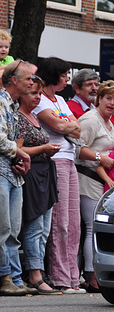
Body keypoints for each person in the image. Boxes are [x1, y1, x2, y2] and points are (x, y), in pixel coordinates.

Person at [33, 57, 84, 294]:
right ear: (54, 75)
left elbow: (76, 126)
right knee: (60, 222)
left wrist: (65, 124)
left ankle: (74, 277)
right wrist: (65, 124)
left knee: (74, 223)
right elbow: (61, 127)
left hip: (70, 159)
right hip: (54, 161)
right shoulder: (40, 99)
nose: (67, 78)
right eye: (64, 74)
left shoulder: (61, 100)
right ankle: (61, 276)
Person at [15, 78, 62, 294]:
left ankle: (39, 271)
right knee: (34, 227)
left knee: (44, 229)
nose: (37, 97)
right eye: (33, 93)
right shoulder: (18, 118)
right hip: (32, 173)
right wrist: (44, 147)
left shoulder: (34, 117)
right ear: (22, 94)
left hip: (46, 172)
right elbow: (18, 149)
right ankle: (34, 274)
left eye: (40, 94)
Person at [76, 81, 114, 292]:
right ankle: (91, 276)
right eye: (108, 98)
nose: (112, 103)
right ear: (99, 99)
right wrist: (99, 157)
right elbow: (77, 148)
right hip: (86, 178)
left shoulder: (109, 121)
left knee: (95, 228)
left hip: (102, 180)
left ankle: (95, 273)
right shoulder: (90, 119)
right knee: (92, 227)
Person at [0, 60, 33, 296]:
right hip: (1, 173)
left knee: (13, 229)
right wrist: (20, 153)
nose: (31, 82)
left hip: (12, 174)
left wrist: (18, 162)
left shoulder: (12, 106)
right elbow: (0, 140)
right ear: (14, 80)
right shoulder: (1, 102)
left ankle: (16, 278)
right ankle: (5, 277)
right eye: (28, 78)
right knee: (3, 228)